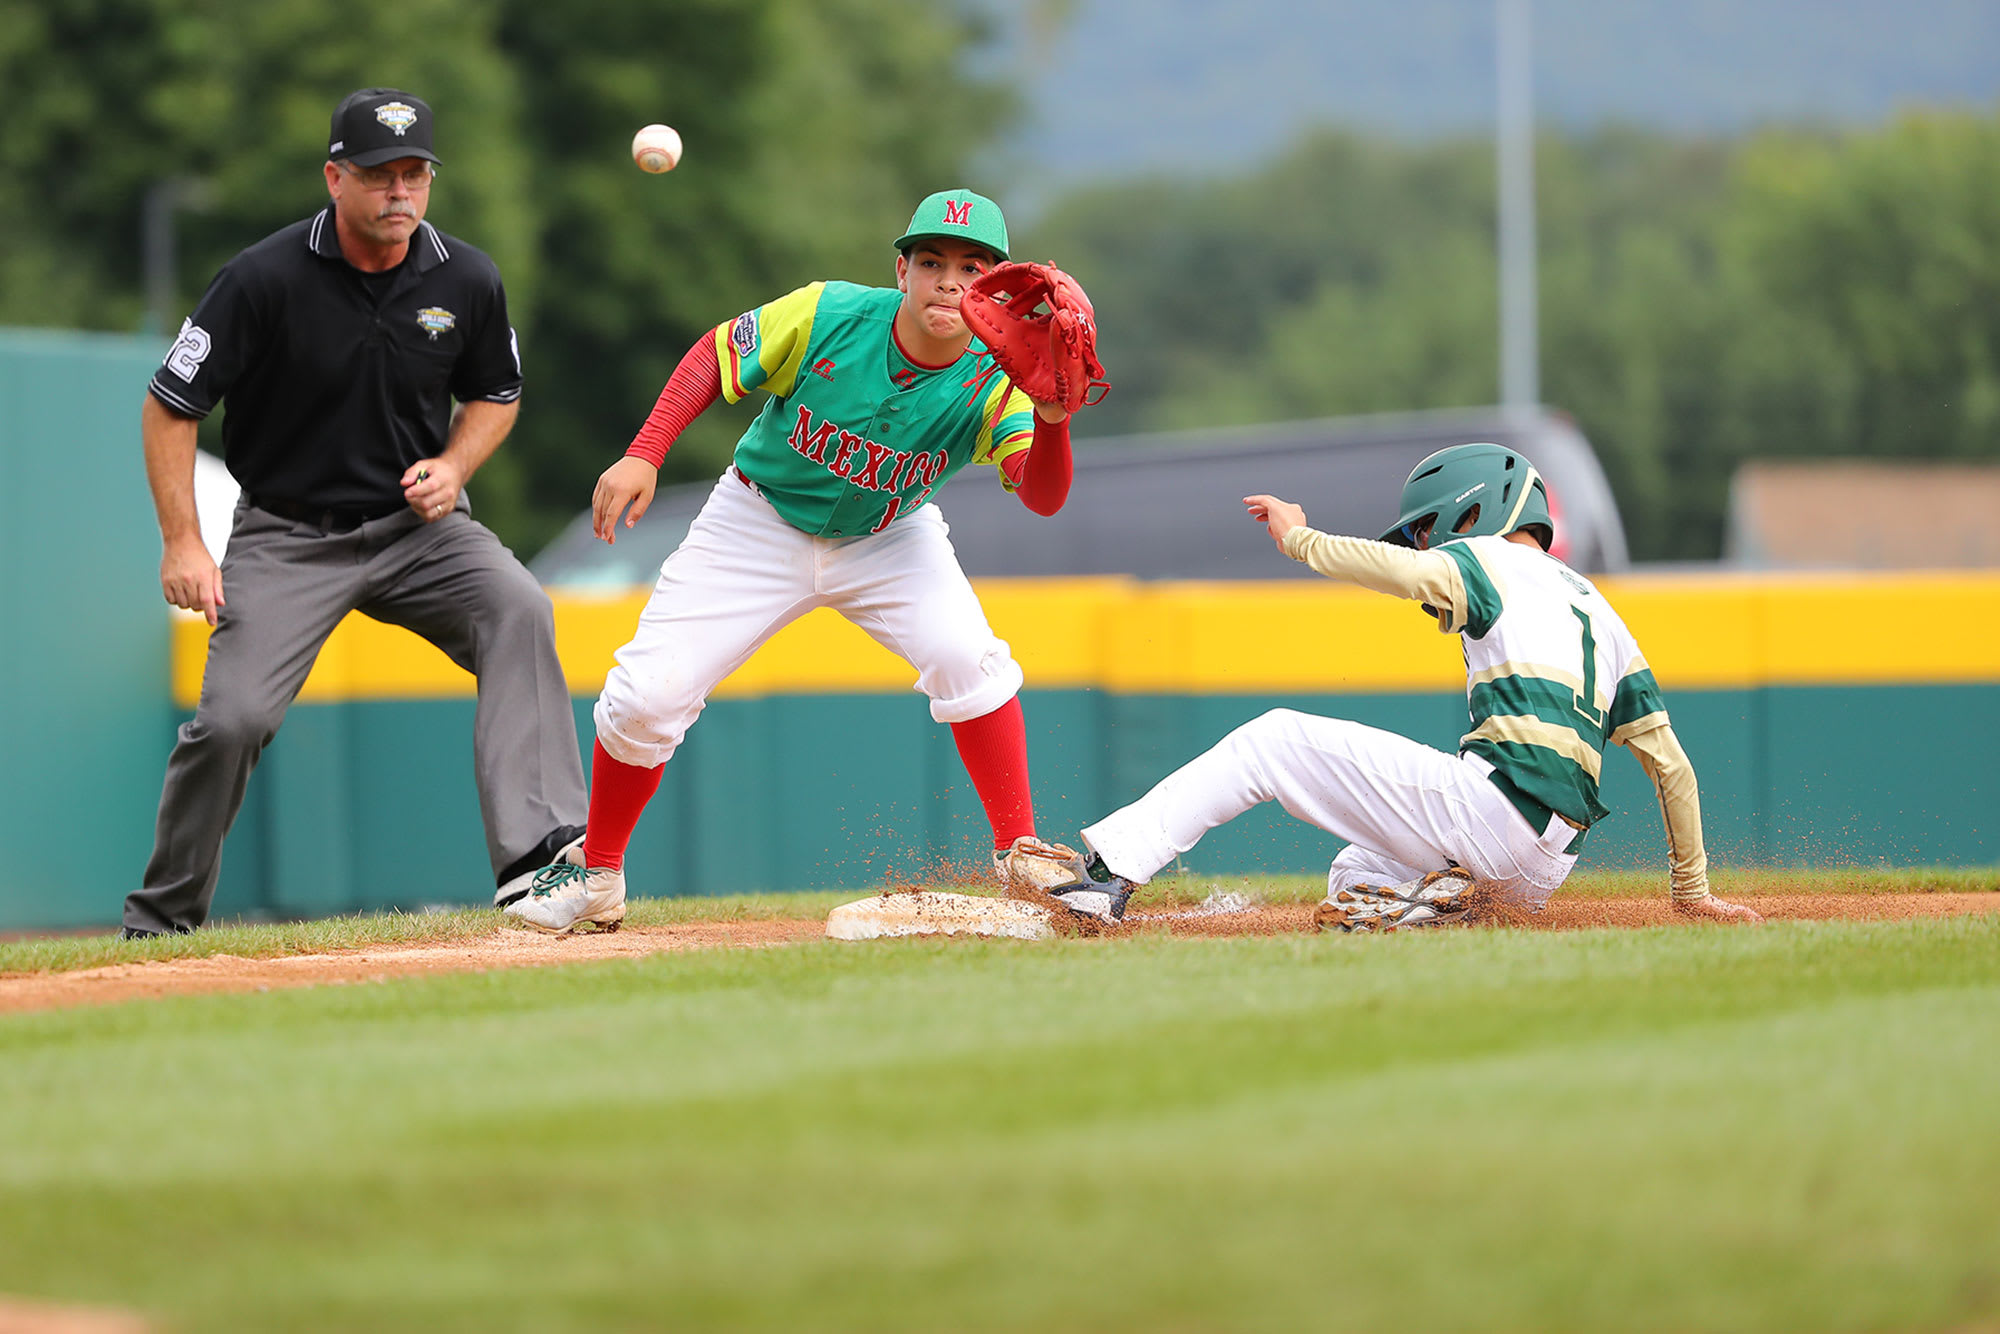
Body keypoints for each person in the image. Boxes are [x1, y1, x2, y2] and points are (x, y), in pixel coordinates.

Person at [507, 189, 1090, 933]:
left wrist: (1052, 421)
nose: (950, 280)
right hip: (757, 519)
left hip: (890, 536)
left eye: (972, 268)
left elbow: (1041, 496)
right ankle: (597, 872)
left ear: (996, 288)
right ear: (903, 271)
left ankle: (1020, 852)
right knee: (645, 696)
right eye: (932, 261)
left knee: (968, 658)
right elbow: (715, 356)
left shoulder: (999, 377)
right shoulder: (829, 313)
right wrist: (645, 452)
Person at [123, 88, 587, 937]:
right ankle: (160, 921)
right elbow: (169, 406)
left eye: (415, 174)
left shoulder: (467, 278)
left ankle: (537, 866)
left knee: (519, 609)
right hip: (288, 536)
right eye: (380, 175)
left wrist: (453, 464)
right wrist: (183, 541)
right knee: (232, 722)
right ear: (336, 177)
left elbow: (497, 393)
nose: (400, 193)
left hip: (419, 534)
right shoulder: (261, 279)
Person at [1039, 442, 1764, 931]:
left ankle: (1110, 875)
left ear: (1475, 513)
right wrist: (1692, 894)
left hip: (1493, 813)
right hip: (1543, 870)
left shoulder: (1488, 557)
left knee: (1271, 741)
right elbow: (1671, 767)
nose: (1426, 544)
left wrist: (1300, 539)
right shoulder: (1604, 615)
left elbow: (1409, 574)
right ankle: (1446, 903)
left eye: (1429, 528)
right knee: (1356, 876)